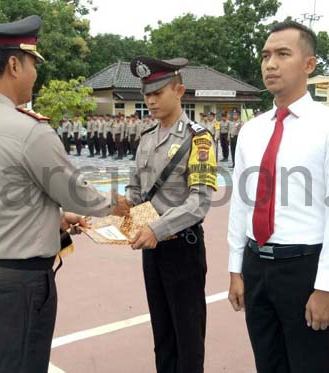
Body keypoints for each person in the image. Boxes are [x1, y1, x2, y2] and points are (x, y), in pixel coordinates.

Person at [0, 16, 131, 372]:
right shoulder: (29, 130)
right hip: (17, 282)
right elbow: (76, 193)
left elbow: (2, 194)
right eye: (34, 63)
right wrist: (117, 204)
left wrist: (54, 218)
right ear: (14, 64)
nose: (36, 73)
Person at [227, 21, 329, 373]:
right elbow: (242, 203)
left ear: (309, 65)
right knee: (267, 364)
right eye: (266, 55)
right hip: (256, 266)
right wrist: (235, 268)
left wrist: (326, 286)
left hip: (304, 269)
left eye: (283, 54)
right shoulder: (253, 130)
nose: (270, 63)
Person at [126, 55, 217, 373]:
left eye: (158, 93)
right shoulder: (146, 139)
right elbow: (135, 191)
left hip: (183, 248)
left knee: (188, 337)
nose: (150, 100)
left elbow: (199, 201)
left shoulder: (199, 139)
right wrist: (126, 222)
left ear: (179, 90)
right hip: (152, 250)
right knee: (162, 333)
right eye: (146, 94)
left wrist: (158, 228)